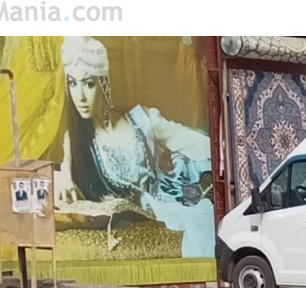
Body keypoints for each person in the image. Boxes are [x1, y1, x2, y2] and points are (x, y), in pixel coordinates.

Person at [54, 36, 214, 258]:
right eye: (72, 83)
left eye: (89, 84)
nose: (79, 96)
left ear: (104, 84)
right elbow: (64, 172)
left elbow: (193, 142)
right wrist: (64, 182)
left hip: (174, 193)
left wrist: (223, 153)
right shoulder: (77, 139)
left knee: (206, 215)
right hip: (142, 210)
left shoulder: (142, 120)